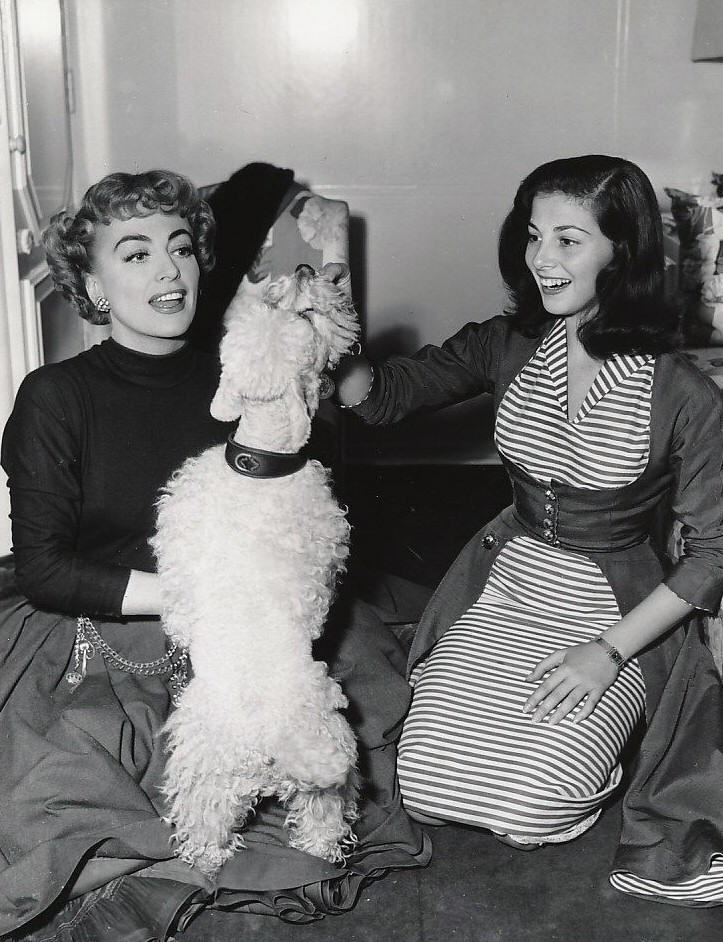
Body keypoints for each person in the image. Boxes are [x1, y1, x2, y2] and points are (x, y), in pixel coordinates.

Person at [0, 169, 430, 942]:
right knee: (75, 793)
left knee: (348, 734)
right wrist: (207, 596)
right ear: (91, 285)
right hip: (113, 619)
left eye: (180, 248)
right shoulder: (53, 397)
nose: (168, 270)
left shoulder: (246, 372)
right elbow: (45, 569)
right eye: (133, 254)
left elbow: (301, 510)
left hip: (261, 617)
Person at [334, 154, 723, 909]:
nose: (541, 260)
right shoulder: (509, 343)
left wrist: (608, 653)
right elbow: (390, 395)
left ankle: (605, 741)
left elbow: (714, 555)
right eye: (533, 236)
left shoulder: (685, 393)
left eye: (569, 240)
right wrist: (326, 345)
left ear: (620, 252)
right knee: (420, 781)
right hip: (507, 585)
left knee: (532, 804)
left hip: (613, 613)